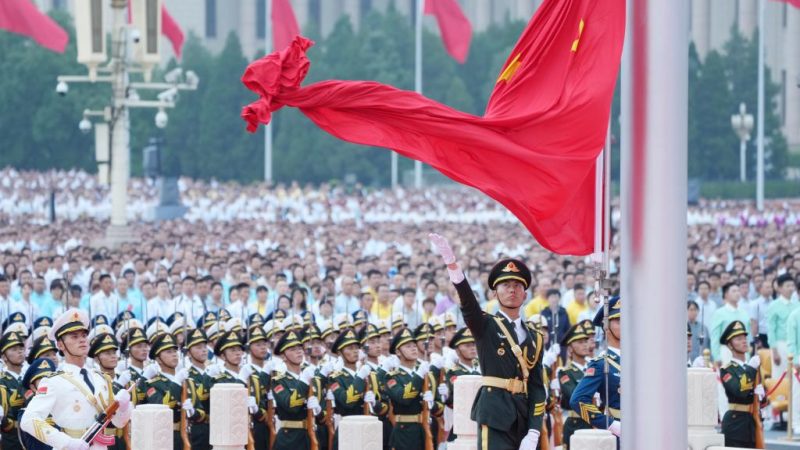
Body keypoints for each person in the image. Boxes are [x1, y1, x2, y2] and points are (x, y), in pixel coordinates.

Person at [430, 233, 546, 450]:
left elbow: (537, 388)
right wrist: (453, 266)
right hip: (495, 415)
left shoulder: (536, 337)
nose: (512, 290)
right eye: (505, 285)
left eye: (517, 285)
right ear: (494, 294)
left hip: (523, 416)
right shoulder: (485, 325)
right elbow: (468, 303)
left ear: (526, 294)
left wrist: (534, 430)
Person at [20, 308, 132, 450]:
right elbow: (28, 420)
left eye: (84, 335)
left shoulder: (100, 378)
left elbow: (119, 423)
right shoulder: (53, 381)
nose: (82, 340)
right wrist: (66, 442)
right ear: (61, 345)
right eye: (74, 337)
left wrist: (124, 407)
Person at [569, 296, 621, 442]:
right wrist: (611, 424)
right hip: (619, 435)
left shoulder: (640, 361)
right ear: (606, 326)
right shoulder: (600, 364)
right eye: (618, 321)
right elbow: (578, 400)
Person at [271, 330, 321, 450]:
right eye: (292, 349)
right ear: (283, 356)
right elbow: (291, 406)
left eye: (299, 348)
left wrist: (319, 411)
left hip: (311, 435)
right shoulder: (278, 381)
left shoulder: (312, 376)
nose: (298, 351)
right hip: (290, 439)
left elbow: (324, 409)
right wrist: (303, 381)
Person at [718, 320, 764, 448]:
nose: (744, 341)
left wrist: (762, 395)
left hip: (752, 424)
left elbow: (762, 403)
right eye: (738, 339)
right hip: (735, 426)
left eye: (744, 337)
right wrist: (750, 368)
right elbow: (740, 391)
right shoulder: (727, 369)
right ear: (730, 345)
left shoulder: (752, 366)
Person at [145, 332, 190, 449]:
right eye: (169, 352)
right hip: (165, 437)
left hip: (188, 435)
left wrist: (193, 411)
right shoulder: (152, 384)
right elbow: (162, 406)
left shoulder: (186, 381)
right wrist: (176, 383)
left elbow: (200, 410)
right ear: (158, 359)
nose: (174, 355)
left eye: (175, 351)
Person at [554, 321, 593, 449]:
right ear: (570, 348)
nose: (585, 345)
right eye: (580, 342)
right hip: (575, 424)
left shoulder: (593, 368)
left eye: (586, 341)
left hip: (594, 422)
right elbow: (574, 396)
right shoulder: (565, 372)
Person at [443, 326, 480, 442]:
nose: (472, 348)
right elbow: (452, 399)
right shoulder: (453, 372)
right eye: (467, 346)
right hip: (463, 422)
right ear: (457, 350)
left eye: (473, 344)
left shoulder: (482, 368)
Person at [184, 328, 212, 450]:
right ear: (189, 353)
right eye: (198, 347)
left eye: (204, 346)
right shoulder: (187, 375)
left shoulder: (214, 372)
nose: (203, 350)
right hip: (199, 429)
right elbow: (198, 399)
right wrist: (207, 377)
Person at [710, 283, 751, 364]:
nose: (737, 293)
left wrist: (748, 354)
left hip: (743, 354)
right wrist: (717, 357)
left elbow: (748, 337)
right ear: (726, 294)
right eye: (734, 291)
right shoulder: (719, 313)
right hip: (726, 352)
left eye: (738, 291)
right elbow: (715, 336)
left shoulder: (744, 313)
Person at [0, 331, 26, 449]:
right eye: (14, 349)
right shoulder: (2, 381)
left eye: (21, 348)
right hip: (12, 441)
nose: (19, 351)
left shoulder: (29, 378)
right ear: (4, 357)